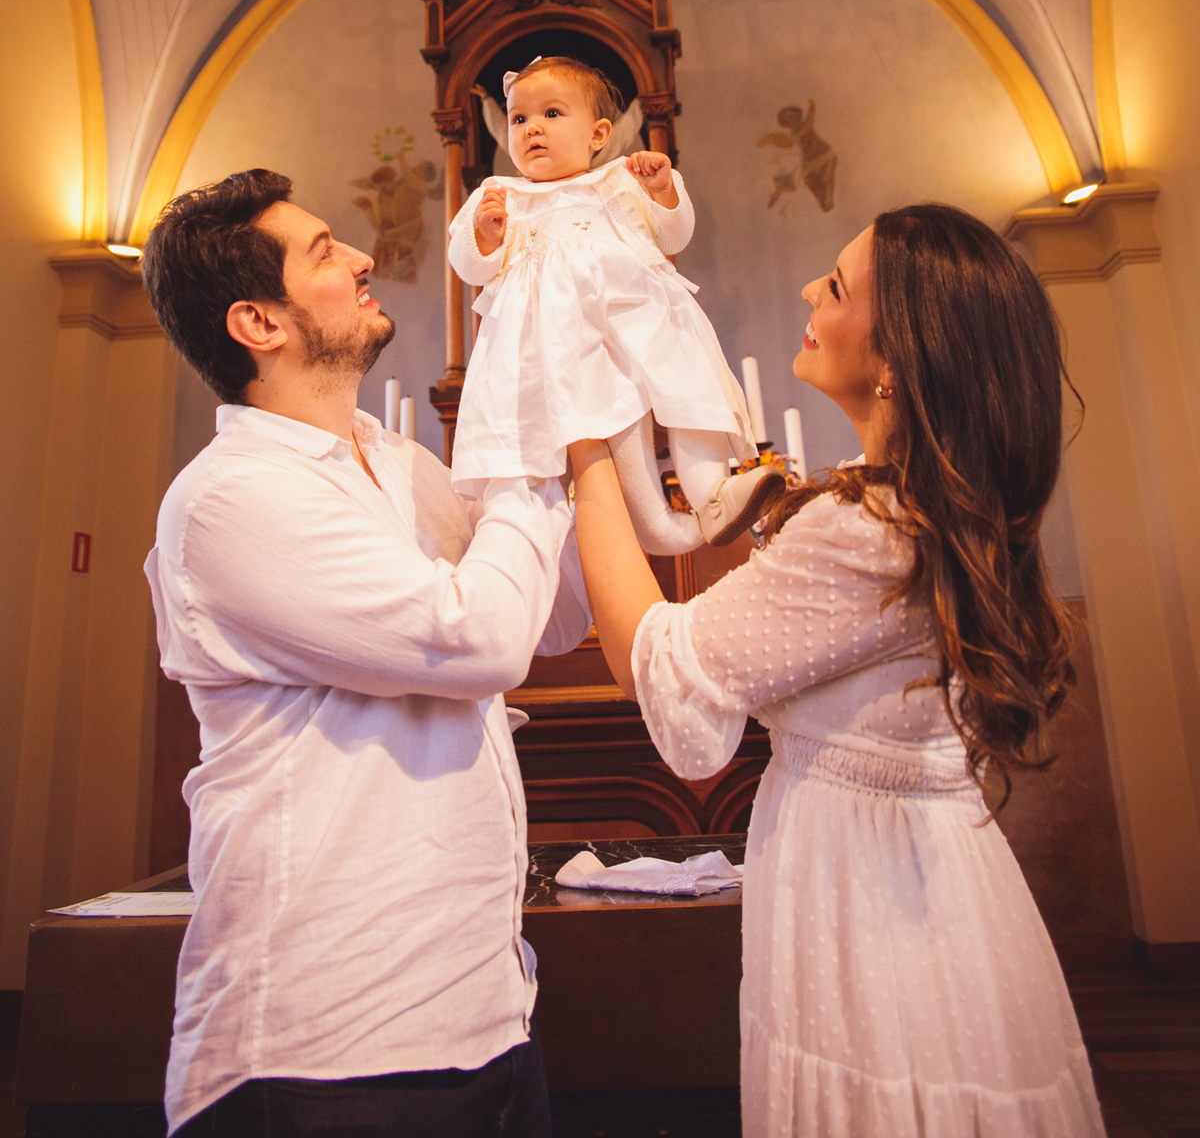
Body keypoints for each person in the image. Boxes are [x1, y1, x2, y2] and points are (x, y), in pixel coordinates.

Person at [567, 203, 1106, 1136]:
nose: (811, 290)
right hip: (932, 882)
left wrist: (581, 457)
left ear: (899, 356)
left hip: (873, 908)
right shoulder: (930, 512)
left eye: (840, 285)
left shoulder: (868, 529)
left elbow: (657, 661)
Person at [139, 168, 589, 1137]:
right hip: (327, 1041)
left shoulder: (398, 463)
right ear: (260, 324)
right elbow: (483, 638)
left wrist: (589, 439)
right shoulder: (232, 499)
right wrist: (520, 457)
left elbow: (549, 620)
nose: (363, 257)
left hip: (487, 1010)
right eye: (323, 252)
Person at [448, 55, 786, 552]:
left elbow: (674, 233)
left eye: (552, 114)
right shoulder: (501, 195)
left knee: (689, 387)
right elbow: (469, 267)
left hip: (643, 320)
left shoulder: (621, 179)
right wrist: (483, 234)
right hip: (567, 342)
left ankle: (712, 493)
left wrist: (663, 190)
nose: (531, 129)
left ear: (599, 134)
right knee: (612, 419)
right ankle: (657, 526)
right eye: (519, 119)